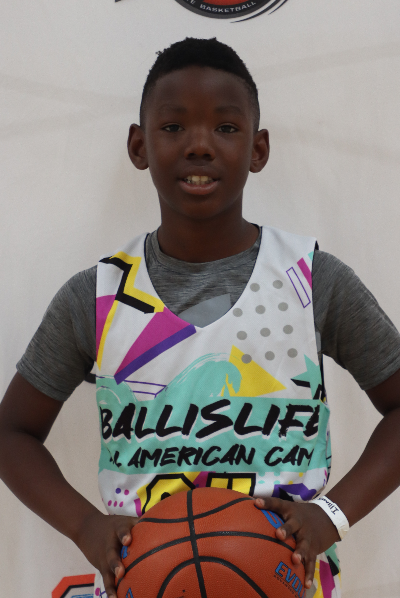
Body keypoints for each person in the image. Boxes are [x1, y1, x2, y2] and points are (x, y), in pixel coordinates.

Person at [1, 37, 400, 598]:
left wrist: (332, 514)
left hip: (284, 581)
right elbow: (12, 433)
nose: (199, 145)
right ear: (139, 145)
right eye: (173, 127)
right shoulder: (97, 297)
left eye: (226, 127)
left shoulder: (311, 280)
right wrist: (86, 525)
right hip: (144, 581)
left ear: (258, 149)